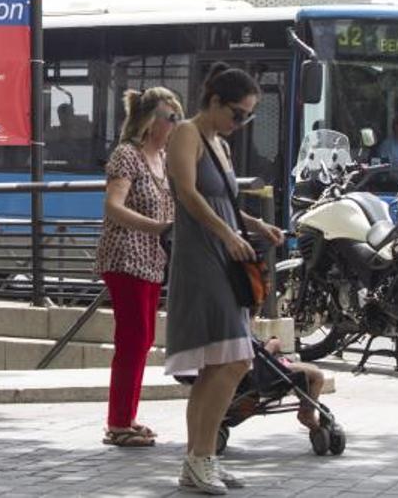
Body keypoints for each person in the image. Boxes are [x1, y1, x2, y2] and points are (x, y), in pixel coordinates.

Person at [165, 63, 284, 494]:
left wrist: (253, 225)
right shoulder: (187, 133)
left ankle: (201, 459)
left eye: (249, 116)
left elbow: (224, 200)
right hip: (203, 256)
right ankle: (200, 459)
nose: (242, 123)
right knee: (232, 360)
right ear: (214, 102)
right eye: (238, 114)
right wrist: (229, 233)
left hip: (224, 252)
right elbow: (187, 193)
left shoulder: (218, 142)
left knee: (222, 363)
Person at [95, 87, 184, 447]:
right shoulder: (127, 155)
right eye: (172, 118)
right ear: (151, 122)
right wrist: (157, 228)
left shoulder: (163, 157)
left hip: (151, 258)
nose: (177, 124)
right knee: (132, 339)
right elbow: (113, 206)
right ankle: (117, 423)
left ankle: (126, 418)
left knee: (143, 339)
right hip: (125, 256)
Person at [260, 337, 325, 430]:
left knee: (313, 368)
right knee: (318, 376)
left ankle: (307, 409)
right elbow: (263, 356)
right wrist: (273, 343)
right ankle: (307, 413)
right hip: (272, 371)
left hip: (272, 366)